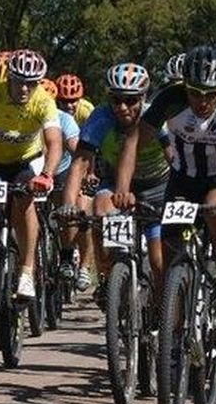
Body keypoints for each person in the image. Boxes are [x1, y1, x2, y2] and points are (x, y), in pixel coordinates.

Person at [114, 46, 216, 356]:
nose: (202, 101)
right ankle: (183, 309)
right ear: (184, 86)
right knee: (171, 242)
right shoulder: (170, 98)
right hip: (184, 177)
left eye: (210, 94)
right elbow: (135, 139)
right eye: (194, 92)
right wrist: (123, 188)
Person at [59, 62, 169, 297]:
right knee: (100, 212)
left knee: (159, 263)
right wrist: (68, 205)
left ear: (143, 98)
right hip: (115, 182)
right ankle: (108, 277)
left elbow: (176, 159)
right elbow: (79, 164)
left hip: (157, 186)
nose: (122, 107)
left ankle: (162, 316)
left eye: (130, 100)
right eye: (116, 99)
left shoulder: (156, 117)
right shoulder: (101, 118)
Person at [0, 47, 63, 299]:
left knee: (24, 204)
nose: (24, 89)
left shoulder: (44, 100)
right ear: (9, 79)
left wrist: (47, 174)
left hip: (25, 164)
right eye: (19, 82)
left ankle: (26, 271)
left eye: (31, 83)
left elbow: (55, 142)